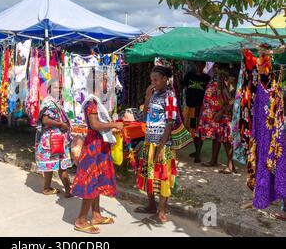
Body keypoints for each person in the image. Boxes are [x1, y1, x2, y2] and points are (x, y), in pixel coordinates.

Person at [71, 69, 124, 234]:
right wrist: (114, 125)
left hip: (98, 147)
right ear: (96, 84)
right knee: (90, 182)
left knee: (97, 181)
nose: (107, 84)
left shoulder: (96, 101)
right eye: (104, 81)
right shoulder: (92, 103)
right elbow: (95, 125)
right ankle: (81, 220)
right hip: (92, 148)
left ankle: (96, 215)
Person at [134, 65, 178, 223]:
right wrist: (147, 95)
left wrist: (160, 148)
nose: (153, 82)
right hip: (149, 141)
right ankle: (151, 205)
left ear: (165, 79)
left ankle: (162, 210)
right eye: (152, 80)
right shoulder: (153, 95)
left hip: (162, 144)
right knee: (148, 174)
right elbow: (144, 116)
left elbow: (170, 123)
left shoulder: (170, 96)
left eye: (156, 80)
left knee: (163, 176)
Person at [35, 79, 73, 197]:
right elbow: (45, 120)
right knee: (62, 165)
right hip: (54, 138)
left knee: (50, 164)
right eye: (55, 87)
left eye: (59, 88)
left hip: (51, 138)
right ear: (49, 88)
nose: (58, 90)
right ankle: (68, 191)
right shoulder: (49, 102)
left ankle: (47, 189)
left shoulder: (51, 101)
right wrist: (61, 124)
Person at [197, 63, 236, 174]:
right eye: (214, 68)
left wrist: (222, 111)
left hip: (221, 114)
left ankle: (230, 165)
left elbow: (232, 99)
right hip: (212, 114)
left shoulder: (227, 81)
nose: (214, 69)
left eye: (216, 67)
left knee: (226, 139)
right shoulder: (215, 80)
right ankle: (213, 160)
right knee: (216, 137)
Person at [182, 62, 211, 163]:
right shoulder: (189, 75)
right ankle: (197, 151)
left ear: (204, 66)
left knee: (199, 130)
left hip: (200, 109)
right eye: (197, 65)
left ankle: (198, 154)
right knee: (193, 130)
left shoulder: (207, 78)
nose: (199, 67)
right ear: (194, 65)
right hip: (191, 107)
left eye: (201, 65)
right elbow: (183, 87)